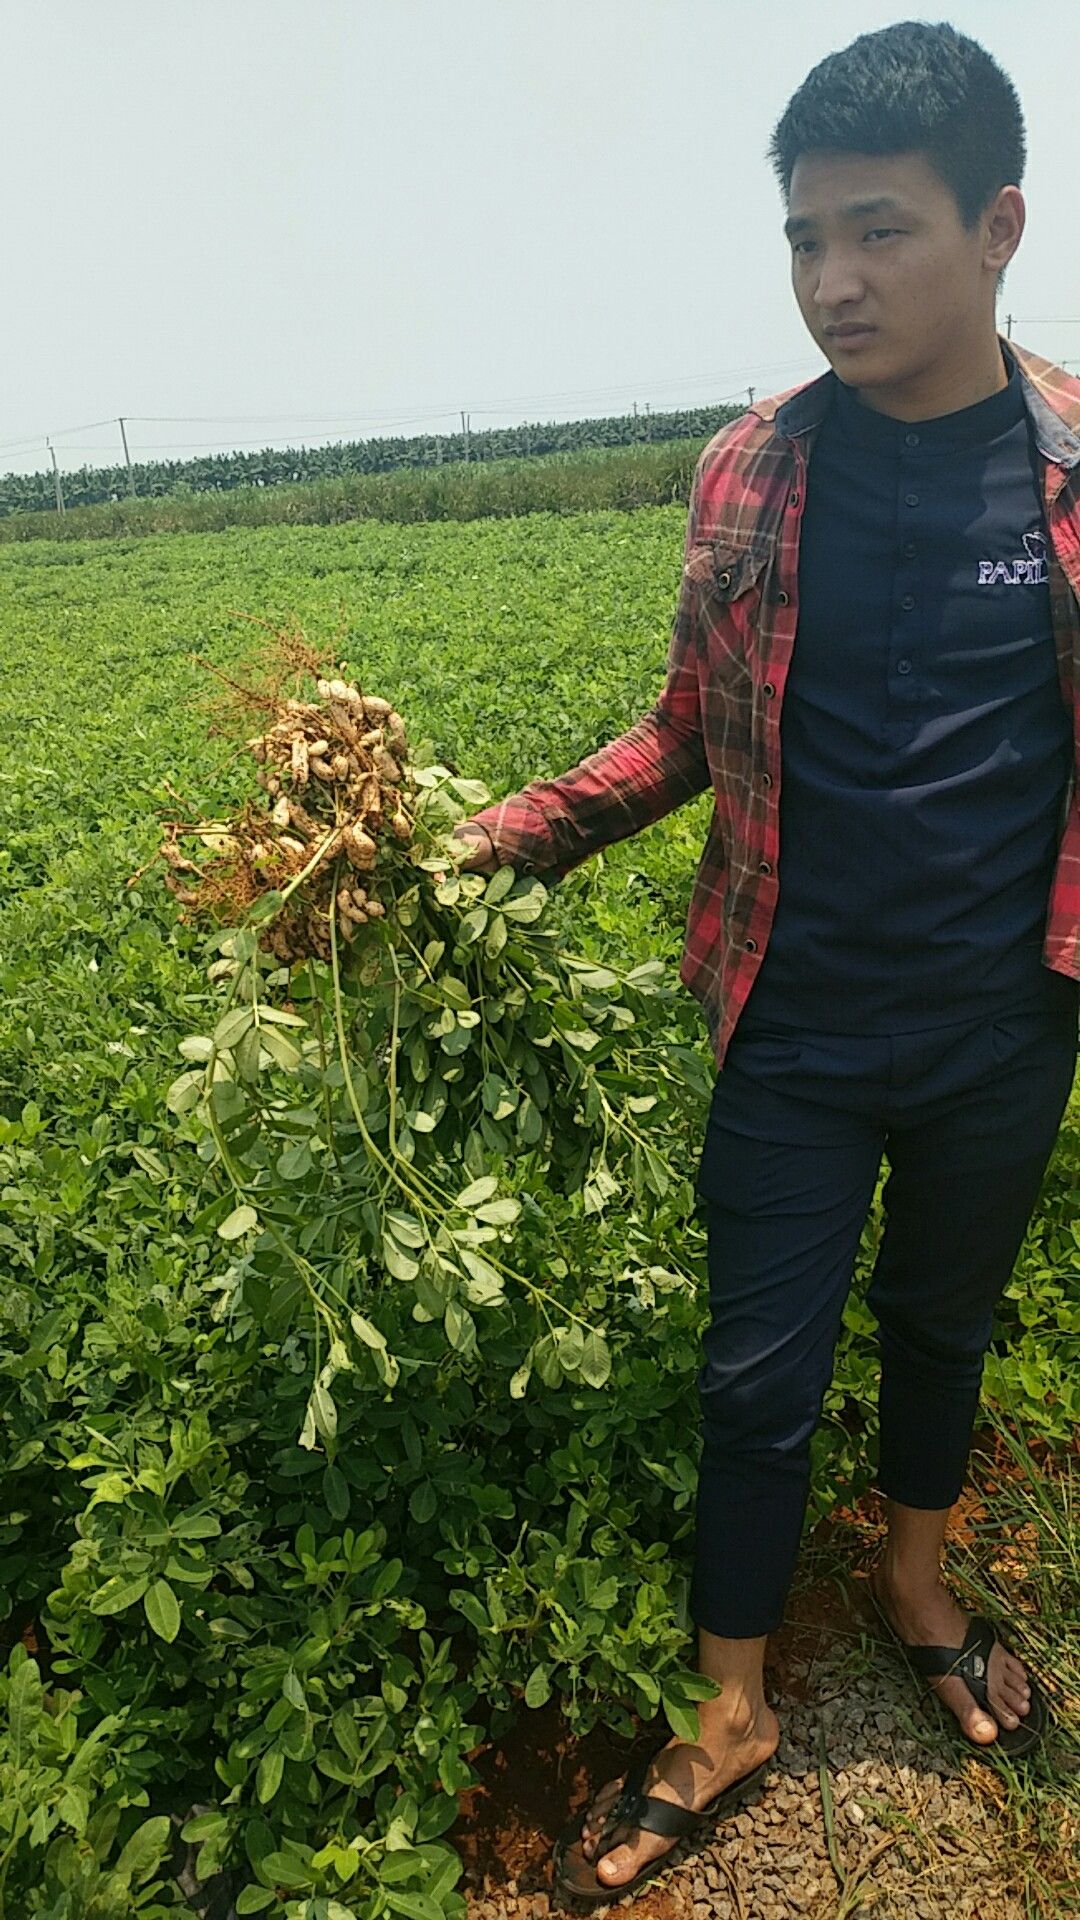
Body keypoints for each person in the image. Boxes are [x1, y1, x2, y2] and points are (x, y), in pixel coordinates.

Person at [453, 20, 1080, 1905]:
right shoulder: (751, 475)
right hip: (790, 1018)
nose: (831, 284)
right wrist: (499, 837)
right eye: (804, 239)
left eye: (877, 232)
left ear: (998, 226)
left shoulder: (1070, 476)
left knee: (944, 1322)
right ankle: (729, 1709)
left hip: (1006, 1018)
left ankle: (911, 1578)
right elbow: (682, 737)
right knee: (754, 1377)